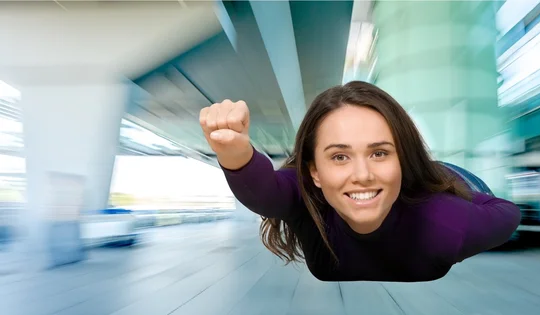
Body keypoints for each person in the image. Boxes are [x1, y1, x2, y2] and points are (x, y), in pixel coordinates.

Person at [199, 81, 521, 282]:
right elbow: (265, 193)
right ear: (315, 173)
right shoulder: (306, 195)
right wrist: (235, 153)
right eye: (340, 156)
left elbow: (507, 214)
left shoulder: (445, 220)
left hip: (452, 179)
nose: (362, 174)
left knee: (433, 180)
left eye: (379, 153)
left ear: (401, 160)